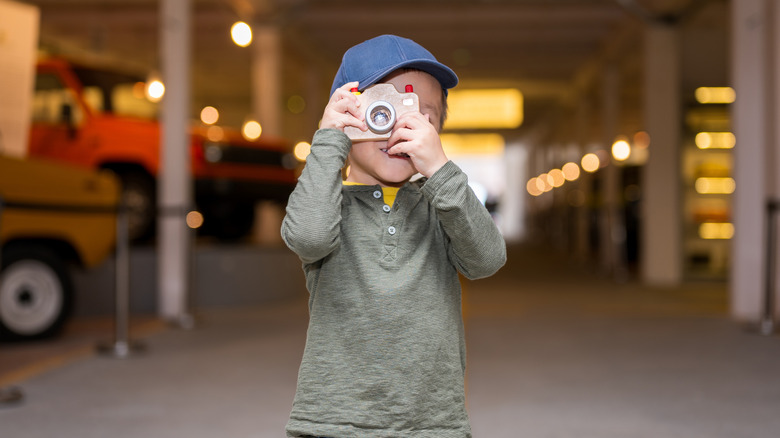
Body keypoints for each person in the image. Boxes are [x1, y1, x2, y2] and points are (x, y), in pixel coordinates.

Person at [281, 34, 506, 438]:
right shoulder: (328, 204)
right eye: (384, 111)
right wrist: (329, 141)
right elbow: (309, 238)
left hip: (433, 423)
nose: (401, 129)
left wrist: (441, 171)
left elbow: (487, 259)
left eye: (423, 117)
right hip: (333, 421)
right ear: (346, 116)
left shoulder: (443, 204)